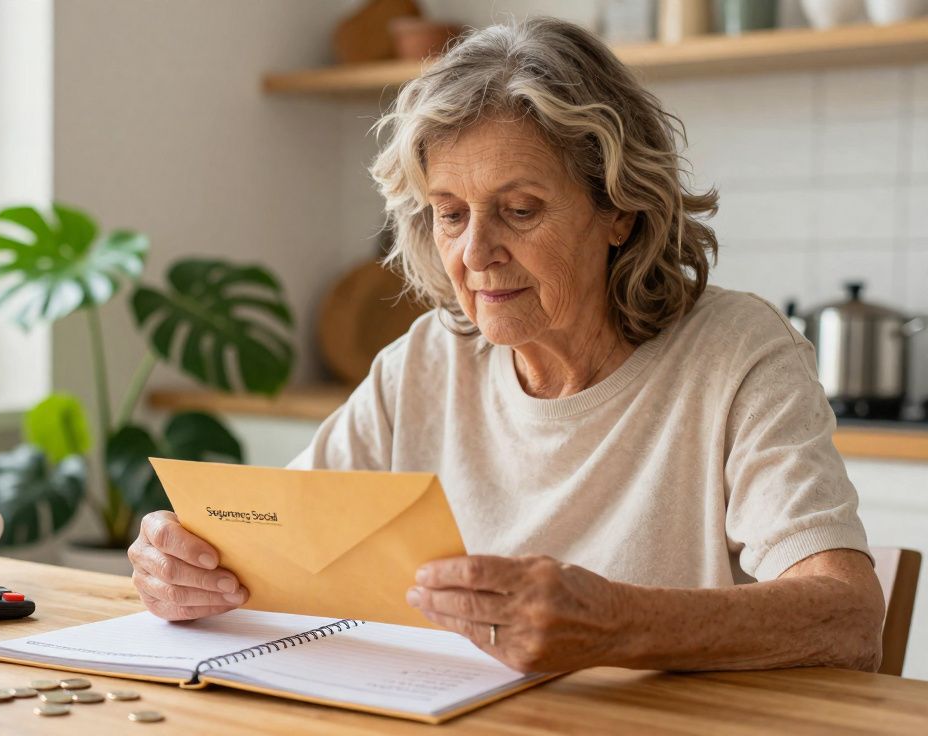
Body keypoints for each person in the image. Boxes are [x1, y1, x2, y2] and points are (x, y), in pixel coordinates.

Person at [128, 16, 884, 674]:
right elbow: (273, 545)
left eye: (519, 210)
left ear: (618, 209)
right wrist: (181, 561)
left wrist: (618, 623)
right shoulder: (426, 362)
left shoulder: (737, 354)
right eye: (450, 214)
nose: (476, 252)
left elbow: (848, 618)